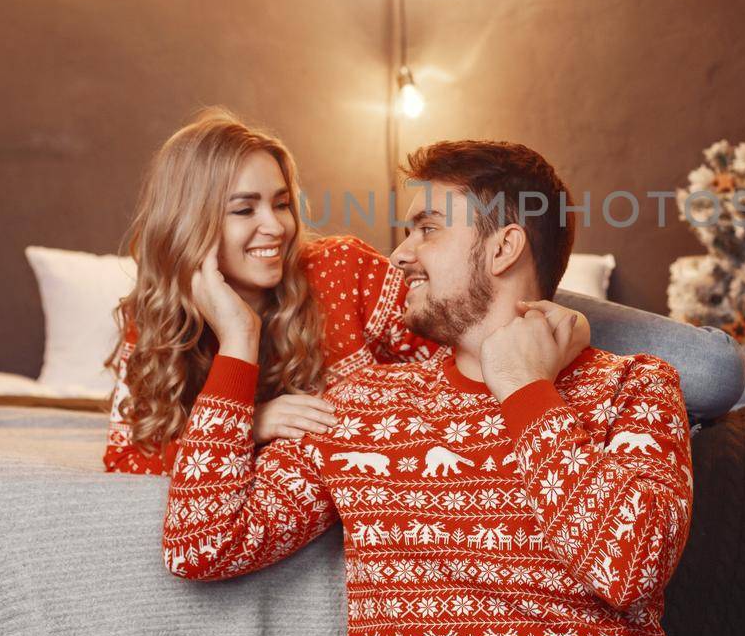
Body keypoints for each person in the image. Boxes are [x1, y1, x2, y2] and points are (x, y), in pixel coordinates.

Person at [163, 140, 693, 636]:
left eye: (427, 230)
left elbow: (630, 568)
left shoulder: (635, 386)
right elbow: (200, 545)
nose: (400, 254)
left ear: (503, 247)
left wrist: (523, 388)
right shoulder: (361, 403)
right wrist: (238, 343)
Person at [103, 107, 487, 475]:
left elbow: (462, 369)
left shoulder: (343, 270)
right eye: (244, 210)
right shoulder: (155, 313)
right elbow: (126, 459)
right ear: (187, 224)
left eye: (282, 204)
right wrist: (249, 423)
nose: (276, 226)